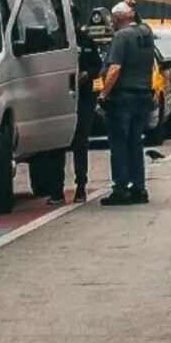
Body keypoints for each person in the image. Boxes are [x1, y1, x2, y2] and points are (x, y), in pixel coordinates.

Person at [97, 0, 157, 206]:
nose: (112, 22)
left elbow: (115, 68)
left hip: (122, 97)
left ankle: (121, 189)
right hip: (143, 94)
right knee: (135, 142)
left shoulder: (122, 37)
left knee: (119, 145)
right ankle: (139, 188)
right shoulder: (146, 33)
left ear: (120, 18)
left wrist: (104, 94)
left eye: (113, 18)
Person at [53, 11, 111, 206]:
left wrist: (88, 73)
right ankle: (56, 190)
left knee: (80, 143)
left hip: (84, 98)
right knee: (58, 144)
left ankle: (81, 187)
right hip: (60, 99)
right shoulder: (55, 40)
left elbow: (99, 66)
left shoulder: (86, 41)